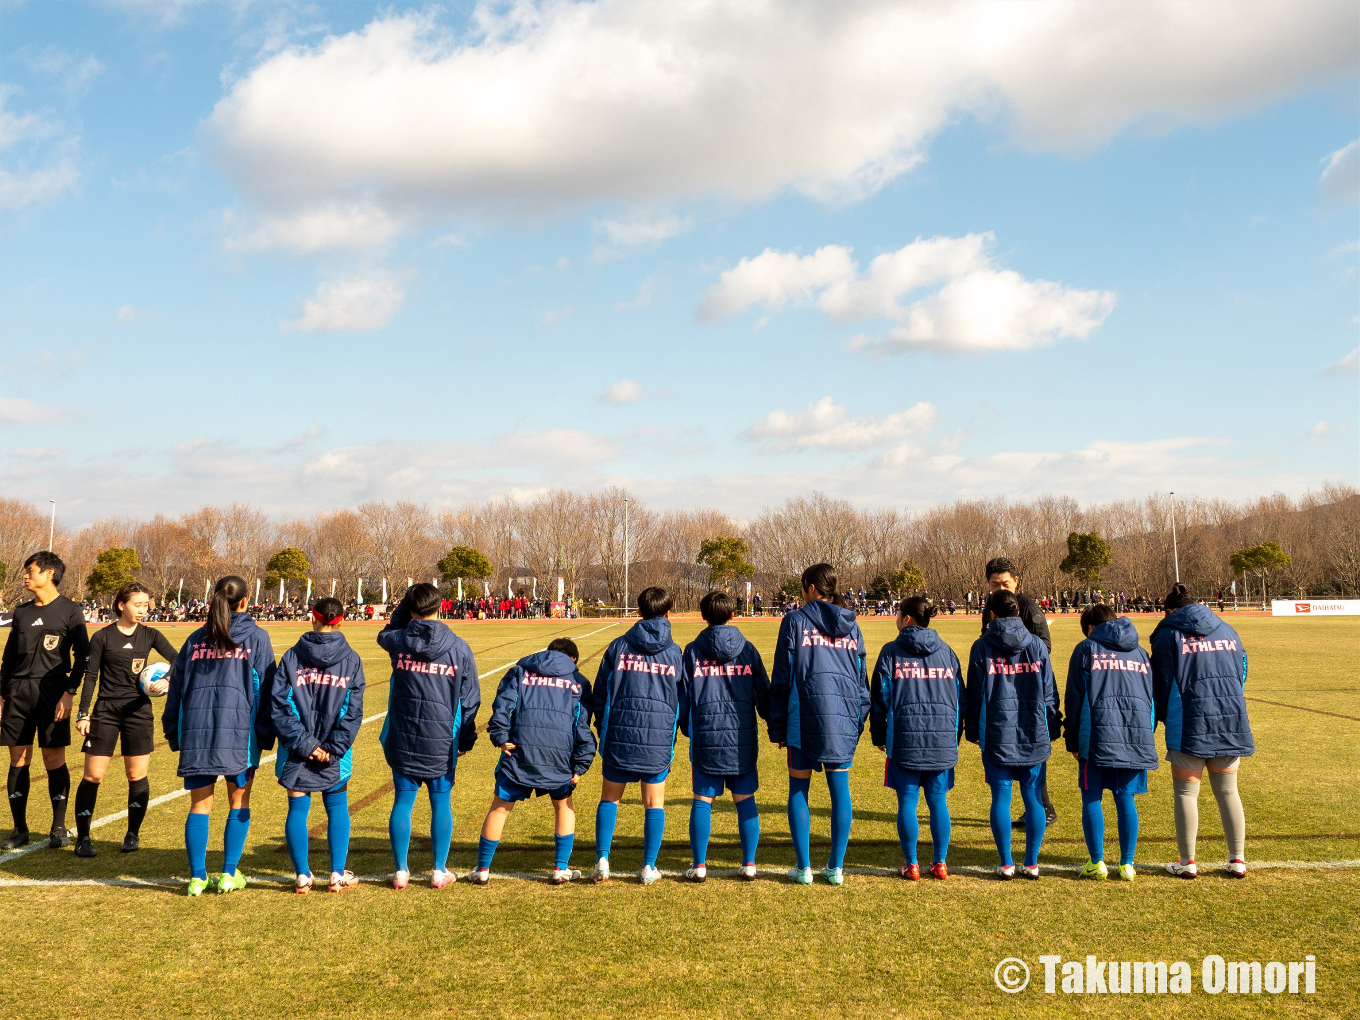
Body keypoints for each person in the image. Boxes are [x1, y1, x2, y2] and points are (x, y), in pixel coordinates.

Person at [163, 575, 277, 896]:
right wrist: (266, 735)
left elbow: (176, 691)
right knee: (238, 801)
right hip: (241, 735)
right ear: (245, 602)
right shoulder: (257, 637)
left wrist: (174, 731)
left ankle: (198, 877)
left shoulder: (195, 639)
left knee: (199, 806)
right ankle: (228, 874)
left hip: (196, 735)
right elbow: (267, 689)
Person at [768, 563, 868, 886]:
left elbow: (782, 677)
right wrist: (858, 720)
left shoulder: (795, 621)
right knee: (840, 791)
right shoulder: (853, 626)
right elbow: (862, 682)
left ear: (811, 587)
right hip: (842, 719)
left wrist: (778, 725)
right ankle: (836, 868)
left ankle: (804, 868)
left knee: (799, 787)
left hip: (803, 717)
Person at [377, 582, 480, 890]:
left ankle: (401, 871)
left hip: (404, 735)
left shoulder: (398, 640)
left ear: (410, 610)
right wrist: (466, 739)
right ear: (442, 606)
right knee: (440, 802)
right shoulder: (459, 647)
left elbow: (385, 632)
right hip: (441, 737)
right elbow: (470, 699)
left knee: (403, 802)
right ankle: (438, 870)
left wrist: (404, 609)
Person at [472, 637, 595, 885]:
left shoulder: (520, 672)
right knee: (563, 805)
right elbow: (582, 724)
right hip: (559, 755)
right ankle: (560, 868)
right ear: (573, 660)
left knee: (500, 807)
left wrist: (500, 737)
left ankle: (482, 869)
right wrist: (581, 764)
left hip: (520, 751)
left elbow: (502, 707)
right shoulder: (578, 682)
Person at [1151, 583, 1252, 879]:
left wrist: (1162, 717)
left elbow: (1162, 682)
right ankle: (1237, 860)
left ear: (1170, 610)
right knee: (1228, 791)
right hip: (1230, 718)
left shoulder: (1168, 634)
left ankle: (1188, 862)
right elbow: (1242, 669)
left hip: (1188, 720)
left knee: (1186, 792)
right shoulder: (1227, 628)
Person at [72, 581, 178, 857]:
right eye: (138, 605)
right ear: (122, 605)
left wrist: (166, 680)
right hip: (106, 710)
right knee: (93, 775)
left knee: (137, 775)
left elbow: (180, 660)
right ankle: (83, 838)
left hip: (139, 712)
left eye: (146, 605)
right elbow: (91, 676)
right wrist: (84, 713)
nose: (143, 610)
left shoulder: (151, 635)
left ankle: (132, 835)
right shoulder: (102, 637)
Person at [270, 597, 365, 894]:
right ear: (342, 620)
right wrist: (333, 748)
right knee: (337, 807)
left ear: (313, 617)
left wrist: (305, 743)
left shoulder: (290, 657)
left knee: (297, 808)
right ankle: (336, 875)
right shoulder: (351, 658)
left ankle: (302, 876)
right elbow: (352, 711)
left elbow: (281, 706)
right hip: (333, 751)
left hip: (296, 747)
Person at [591, 586, 683, 885]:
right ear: (668, 613)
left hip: (619, 731)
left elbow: (600, 692)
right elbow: (682, 697)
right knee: (654, 803)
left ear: (639, 611)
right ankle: (648, 866)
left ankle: (603, 860)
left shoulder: (618, 646)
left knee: (610, 799)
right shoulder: (674, 652)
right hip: (657, 737)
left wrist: (601, 726)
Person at [966, 590, 1060, 880]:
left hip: (996, 732)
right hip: (1033, 730)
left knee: (1001, 798)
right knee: (1033, 798)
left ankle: (1007, 863)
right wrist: (1053, 727)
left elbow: (975, 694)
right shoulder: (1036, 645)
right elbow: (1050, 692)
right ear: (1018, 612)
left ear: (991, 614)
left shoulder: (981, 646)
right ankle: (1031, 862)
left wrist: (972, 731)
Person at [0, 552, 91, 851]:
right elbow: (9, 658)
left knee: (54, 760)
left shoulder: (70, 610)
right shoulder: (22, 612)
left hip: (53, 692)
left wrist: (69, 692)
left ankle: (58, 826)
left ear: (49, 573)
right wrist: (2, 694)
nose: (25, 575)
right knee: (18, 760)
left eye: (30, 570)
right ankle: (19, 829)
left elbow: (84, 658)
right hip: (17, 692)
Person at [678, 590, 770, 882]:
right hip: (742, 738)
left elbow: (683, 695)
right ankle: (750, 863)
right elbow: (764, 693)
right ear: (732, 615)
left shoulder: (692, 651)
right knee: (745, 800)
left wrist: (685, 726)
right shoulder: (748, 649)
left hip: (706, 735)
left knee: (703, 800)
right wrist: (774, 724)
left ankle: (700, 865)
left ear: (703, 617)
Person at [870, 595, 963, 881]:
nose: (895, 617)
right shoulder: (947, 651)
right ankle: (940, 863)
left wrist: (878, 734)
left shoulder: (890, 652)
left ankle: (911, 864)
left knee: (907, 802)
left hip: (905, 741)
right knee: (938, 802)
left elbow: (879, 699)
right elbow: (961, 699)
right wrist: (954, 736)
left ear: (907, 619)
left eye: (898, 613)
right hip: (941, 740)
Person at [1064, 603, 1157, 882]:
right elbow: (1150, 697)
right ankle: (1127, 864)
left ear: (1091, 628)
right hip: (1135, 735)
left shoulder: (1086, 649)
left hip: (1096, 736)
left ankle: (1097, 862)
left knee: (1092, 795)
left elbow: (1075, 697)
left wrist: (1072, 739)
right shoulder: (1140, 652)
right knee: (1125, 797)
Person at [982, 556, 1057, 828]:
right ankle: (1039, 808)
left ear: (1016, 582)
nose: (1000, 588)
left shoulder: (1028, 608)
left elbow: (1044, 646)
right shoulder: (990, 607)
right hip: (1001, 687)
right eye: (994, 584)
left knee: (1031, 749)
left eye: (1005, 583)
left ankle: (1043, 808)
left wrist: (1018, 663)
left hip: (1026, 686)